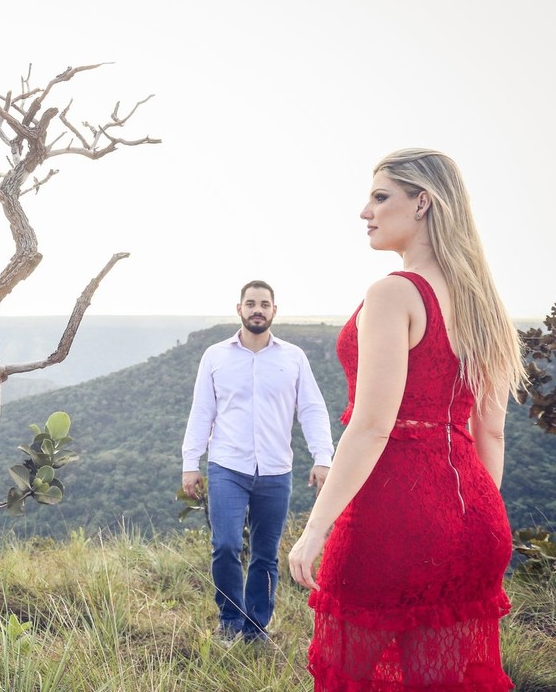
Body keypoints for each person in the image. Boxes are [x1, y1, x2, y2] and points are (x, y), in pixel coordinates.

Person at [288, 149, 525, 690]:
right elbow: (489, 429)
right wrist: (469, 523)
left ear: (423, 203)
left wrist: (315, 528)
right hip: (477, 519)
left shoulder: (395, 292)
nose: (364, 211)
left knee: (349, 676)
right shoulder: (482, 301)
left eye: (380, 196)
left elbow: (372, 426)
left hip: (393, 519)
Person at [181, 280, 335, 643]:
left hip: (275, 471)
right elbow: (201, 411)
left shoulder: (293, 357)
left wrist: (322, 457)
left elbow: (311, 408)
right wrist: (191, 462)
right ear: (239, 309)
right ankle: (230, 621)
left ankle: (256, 628)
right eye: (251, 303)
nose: (257, 309)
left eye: (264, 304)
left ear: (274, 311)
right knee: (226, 546)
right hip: (227, 468)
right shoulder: (215, 356)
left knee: (265, 554)